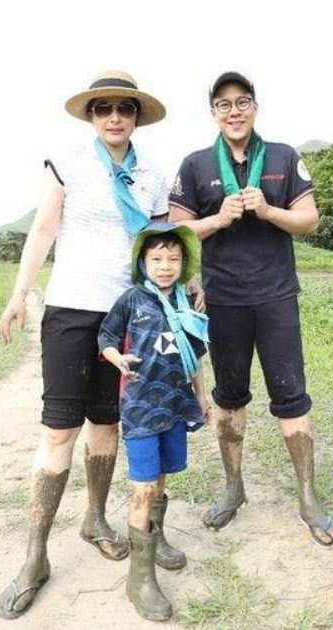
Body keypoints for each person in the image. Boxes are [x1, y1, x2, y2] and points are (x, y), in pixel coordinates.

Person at [0, 71, 193, 620]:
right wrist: (19, 296)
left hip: (129, 313)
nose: (113, 118)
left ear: (135, 117)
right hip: (69, 309)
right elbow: (43, 231)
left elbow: (159, 248)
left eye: (123, 110)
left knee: (108, 425)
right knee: (59, 430)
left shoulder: (154, 174)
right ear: (91, 116)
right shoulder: (68, 163)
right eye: (103, 109)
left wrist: (184, 290)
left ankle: (98, 519)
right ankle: (34, 557)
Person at [168, 71, 333, 547]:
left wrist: (268, 212)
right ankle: (233, 487)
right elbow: (177, 234)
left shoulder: (284, 157)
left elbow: (309, 219)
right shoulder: (196, 165)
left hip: (276, 296)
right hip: (222, 300)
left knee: (292, 395)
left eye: (241, 101)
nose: (234, 111)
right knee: (229, 398)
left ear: (255, 107)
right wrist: (219, 218)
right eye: (223, 105)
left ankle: (308, 496)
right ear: (213, 113)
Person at [98, 223, 209, 622]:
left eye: (173, 259)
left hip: (175, 406)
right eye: (157, 259)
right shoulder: (131, 299)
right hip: (142, 408)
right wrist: (118, 360)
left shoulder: (187, 302)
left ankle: (156, 538)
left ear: (184, 263)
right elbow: (106, 337)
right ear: (143, 262)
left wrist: (200, 396)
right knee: (143, 487)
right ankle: (139, 579)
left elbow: (195, 356)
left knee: (162, 478)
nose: (165, 266)